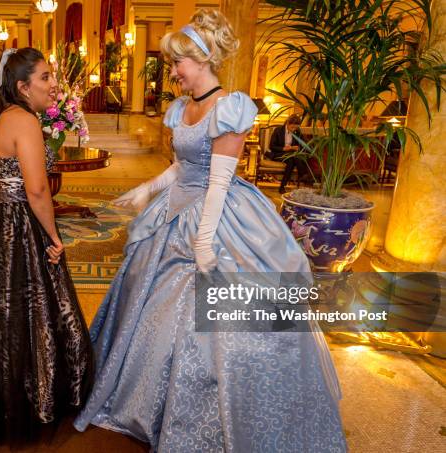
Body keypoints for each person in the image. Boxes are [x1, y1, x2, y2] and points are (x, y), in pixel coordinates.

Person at [74, 9, 347, 452]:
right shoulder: (182, 106)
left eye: (178, 63)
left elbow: (218, 182)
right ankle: (145, 403)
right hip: (176, 208)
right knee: (150, 304)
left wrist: (204, 242)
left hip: (219, 215)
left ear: (200, 60)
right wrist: (147, 189)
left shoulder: (231, 107)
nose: (173, 73)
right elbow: (182, 166)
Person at [0, 48, 93, 441]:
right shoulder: (24, 120)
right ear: (23, 86)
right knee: (31, 311)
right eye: (45, 78)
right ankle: (33, 397)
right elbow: (38, 189)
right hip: (20, 226)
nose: (53, 85)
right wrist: (54, 236)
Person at [268, 113, 310, 193]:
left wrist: (296, 147)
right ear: (287, 123)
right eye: (292, 127)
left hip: (291, 154)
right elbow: (272, 146)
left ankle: (282, 187)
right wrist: (283, 148)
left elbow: (303, 144)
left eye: (296, 127)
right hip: (278, 154)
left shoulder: (297, 131)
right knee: (293, 158)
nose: (294, 129)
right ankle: (303, 173)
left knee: (291, 160)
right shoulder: (278, 130)